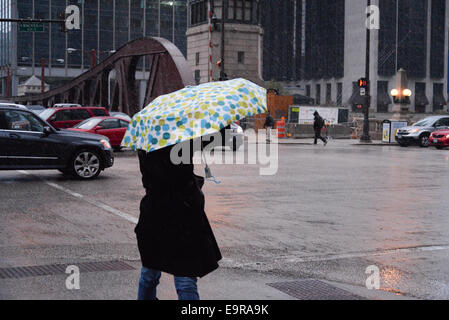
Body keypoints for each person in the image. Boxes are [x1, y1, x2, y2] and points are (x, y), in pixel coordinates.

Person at [136, 138, 222, 300]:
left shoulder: (146, 142)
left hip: (154, 216)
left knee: (150, 272)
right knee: (184, 277)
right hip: (182, 218)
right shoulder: (181, 141)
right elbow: (216, 139)